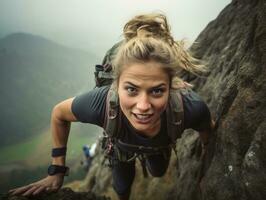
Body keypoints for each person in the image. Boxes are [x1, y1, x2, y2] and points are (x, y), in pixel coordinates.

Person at [9, 13, 215, 200]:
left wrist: (208, 154)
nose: (143, 106)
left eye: (157, 91)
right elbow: (59, 114)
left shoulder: (190, 108)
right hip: (119, 150)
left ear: (172, 87)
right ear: (116, 86)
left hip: (157, 148)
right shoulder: (102, 103)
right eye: (132, 90)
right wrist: (56, 170)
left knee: (158, 172)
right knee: (122, 187)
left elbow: (207, 128)